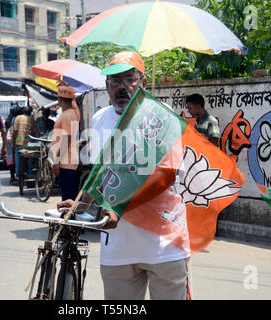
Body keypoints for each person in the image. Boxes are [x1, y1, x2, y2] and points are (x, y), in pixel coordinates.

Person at [58, 51, 190, 300]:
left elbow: (165, 176)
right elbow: (101, 174)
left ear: (142, 81)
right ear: (106, 85)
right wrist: (80, 204)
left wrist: (118, 208)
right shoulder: (99, 119)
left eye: (129, 79)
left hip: (163, 244)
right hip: (117, 247)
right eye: (114, 81)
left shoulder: (162, 116)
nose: (122, 87)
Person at [51, 83, 80, 201]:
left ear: (59, 99)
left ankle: (68, 218)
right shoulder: (74, 112)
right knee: (69, 197)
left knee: (68, 200)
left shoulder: (67, 115)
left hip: (66, 161)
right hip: (68, 161)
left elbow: (66, 138)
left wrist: (57, 161)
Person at [13, 105, 35, 178]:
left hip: (19, 142)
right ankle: (29, 171)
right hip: (28, 143)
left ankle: (17, 174)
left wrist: (13, 141)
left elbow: (15, 131)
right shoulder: (31, 119)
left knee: (18, 159)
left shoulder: (18, 117)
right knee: (29, 158)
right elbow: (33, 131)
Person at [5, 103, 23, 185]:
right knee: (17, 158)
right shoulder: (17, 119)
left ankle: (12, 177)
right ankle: (17, 176)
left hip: (8, 139)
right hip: (14, 140)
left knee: (10, 159)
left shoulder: (8, 119)